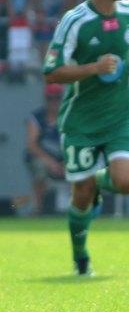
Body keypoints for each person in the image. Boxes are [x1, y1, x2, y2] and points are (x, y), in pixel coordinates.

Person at [43, 0, 129, 276]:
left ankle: (101, 181)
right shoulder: (75, 21)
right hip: (81, 121)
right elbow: (51, 72)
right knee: (82, 194)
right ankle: (80, 255)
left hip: (119, 116)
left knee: (127, 181)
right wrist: (93, 68)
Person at [25, 84, 65, 215]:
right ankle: (38, 210)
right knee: (40, 169)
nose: (54, 102)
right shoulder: (37, 117)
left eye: (57, 98)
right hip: (44, 159)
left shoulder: (68, 117)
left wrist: (66, 163)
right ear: (45, 99)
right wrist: (51, 162)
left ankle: (78, 210)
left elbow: (76, 142)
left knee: (80, 168)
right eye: (50, 98)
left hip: (64, 159)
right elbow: (31, 145)